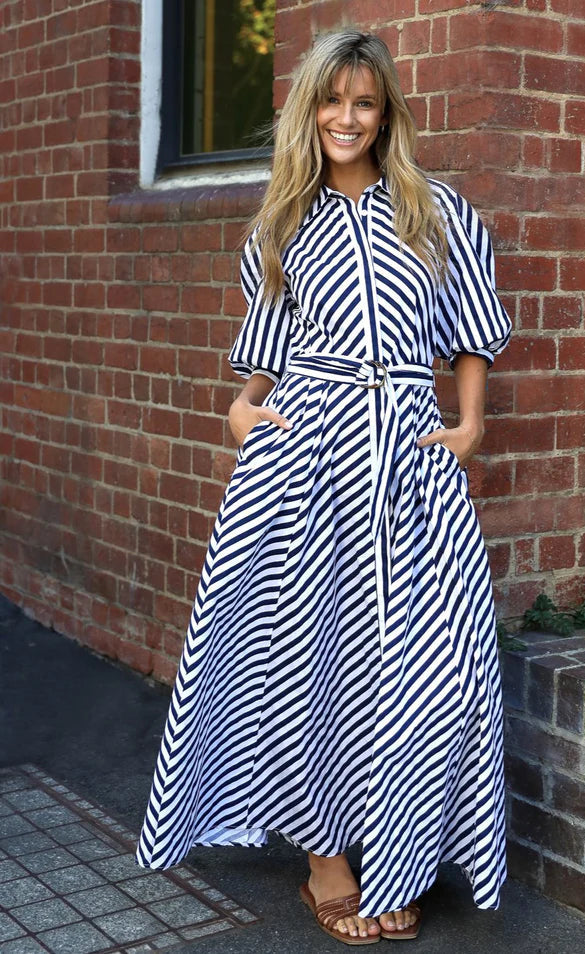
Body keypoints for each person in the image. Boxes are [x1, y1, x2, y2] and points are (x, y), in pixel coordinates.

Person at [135, 28, 512, 947]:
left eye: (365, 102)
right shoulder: (280, 223)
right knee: (300, 660)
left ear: (386, 114)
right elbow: (261, 359)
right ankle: (326, 863)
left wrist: (469, 425)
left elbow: (471, 331)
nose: (348, 117)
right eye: (333, 100)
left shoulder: (437, 211)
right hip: (303, 456)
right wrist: (240, 412)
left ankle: (401, 858)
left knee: (430, 670)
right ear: (309, 110)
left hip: (410, 453)